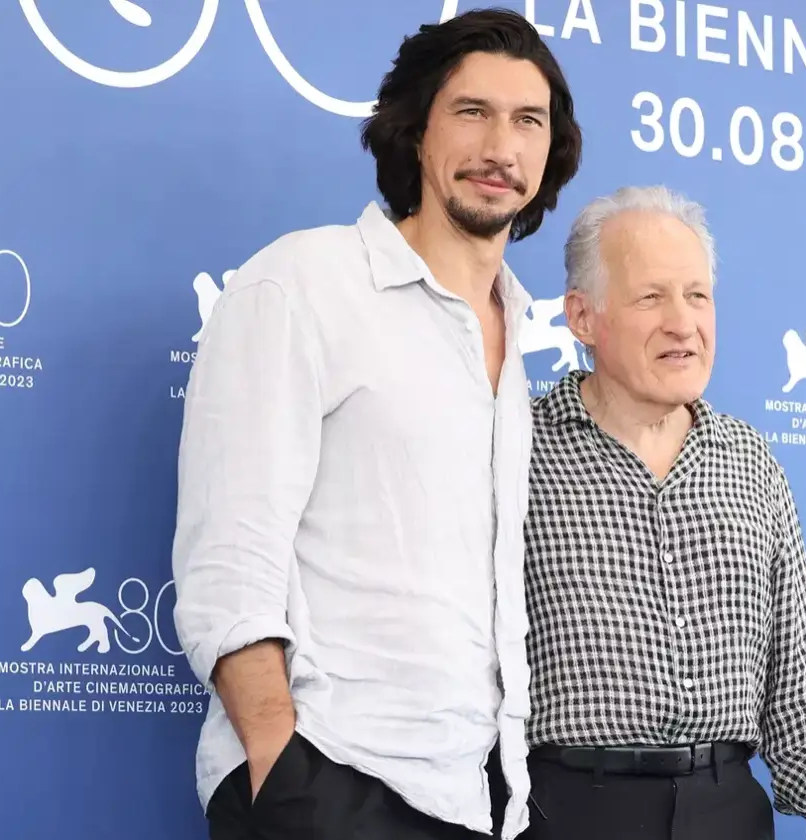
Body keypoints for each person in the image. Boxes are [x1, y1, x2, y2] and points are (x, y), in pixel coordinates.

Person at [169, 10, 582, 840]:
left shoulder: (516, 337)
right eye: (472, 112)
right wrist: (279, 765)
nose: (500, 145)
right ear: (416, 130)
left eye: (527, 120)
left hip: (479, 799)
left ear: (549, 153)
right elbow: (228, 555)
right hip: (329, 781)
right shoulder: (302, 283)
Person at [519, 186, 806, 840]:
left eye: (698, 295)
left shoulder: (749, 461)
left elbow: (801, 678)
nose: (683, 322)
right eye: (651, 297)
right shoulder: (518, 451)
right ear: (582, 316)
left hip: (727, 812)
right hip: (564, 814)